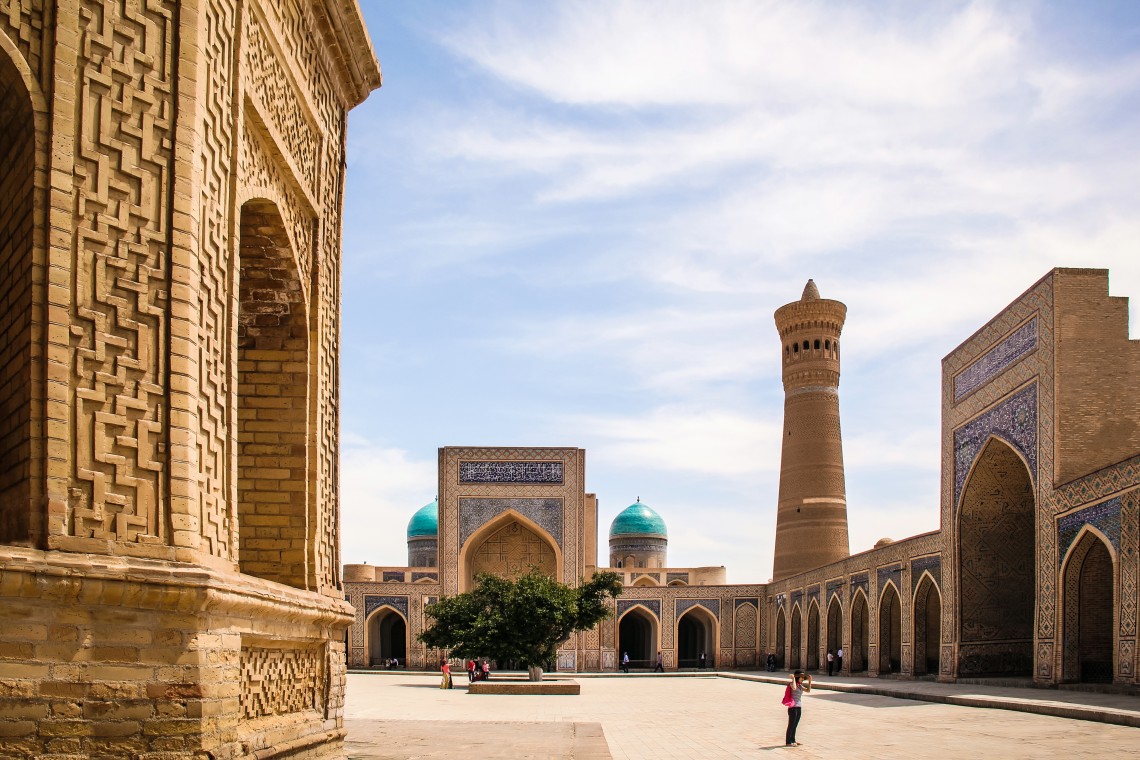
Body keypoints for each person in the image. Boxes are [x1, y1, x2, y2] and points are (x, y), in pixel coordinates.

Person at [785, 669, 812, 746]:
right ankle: (788, 741)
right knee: (791, 724)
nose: (803, 679)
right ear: (797, 677)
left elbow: (808, 690)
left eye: (803, 678)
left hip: (798, 706)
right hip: (793, 707)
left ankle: (793, 740)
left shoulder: (799, 686)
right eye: (801, 677)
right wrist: (793, 679)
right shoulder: (792, 684)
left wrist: (810, 682)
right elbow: (793, 688)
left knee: (795, 724)